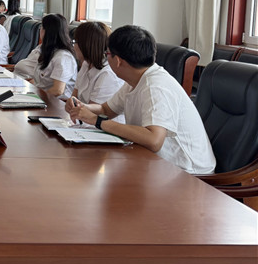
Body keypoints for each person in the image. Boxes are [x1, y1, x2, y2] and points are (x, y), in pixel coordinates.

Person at [67, 25, 216, 175]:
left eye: (107, 53)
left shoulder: (156, 87)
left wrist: (97, 121)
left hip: (189, 173)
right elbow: (106, 110)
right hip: (157, 163)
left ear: (117, 60)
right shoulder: (136, 79)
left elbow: (154, 140)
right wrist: (81, 107)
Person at [64, 21, 124, 122]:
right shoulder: (86, 64)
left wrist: (76, 107)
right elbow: (74, 97)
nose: (73, 46)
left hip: (103, 127)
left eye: (75, 42)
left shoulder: (107, 74)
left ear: (86, 45)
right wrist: (70, 103)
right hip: (84, 123)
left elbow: (92, 114)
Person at [14, 13, 76, 99]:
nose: (40, 30)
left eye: (41, 27)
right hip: (41, 97)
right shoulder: (47, 50)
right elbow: (42, 81)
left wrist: (34, 96)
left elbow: (58, 90)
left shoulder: (63, 57)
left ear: (47, 31)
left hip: (54, 103)